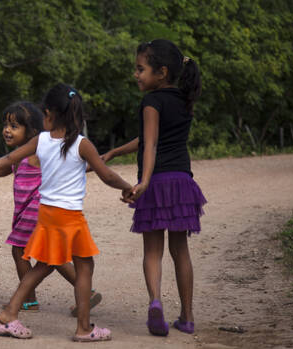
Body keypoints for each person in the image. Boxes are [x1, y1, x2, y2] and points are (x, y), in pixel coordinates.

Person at [0, 83, 133, 342]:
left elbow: (8, 159)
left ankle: (9, 314)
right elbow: (106, 174)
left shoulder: (41, 141)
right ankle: (83, 328)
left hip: (48, 214)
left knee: (45, 265)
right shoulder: (82, 144)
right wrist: (128, 187)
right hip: (68, 217)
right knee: (83, 267)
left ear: (48, 114)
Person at [101, 39, 206, 336]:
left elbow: (151, 144)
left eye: (140, 69)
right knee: (181, 251)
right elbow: (148, 138)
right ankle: (187, 317)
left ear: (161, 72)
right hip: (182, 182)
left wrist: (144, 181)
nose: (136, 74)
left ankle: (156, 302)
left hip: (156, 181)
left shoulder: (151, 101)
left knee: (152, 251)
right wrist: (114, 152)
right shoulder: (184, 99)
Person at [0, 101, 102, 314]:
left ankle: (30, 298)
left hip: (36, 211)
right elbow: (4, 169)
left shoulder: (38, 153)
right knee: (50, 257)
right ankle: (86, 291)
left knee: (22, 250)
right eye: (6, 125)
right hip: (27, 213)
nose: (7, 130)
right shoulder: (21, 155)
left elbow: (74, 165)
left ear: (33, 131)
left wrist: (96, 163)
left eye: (14, 126)